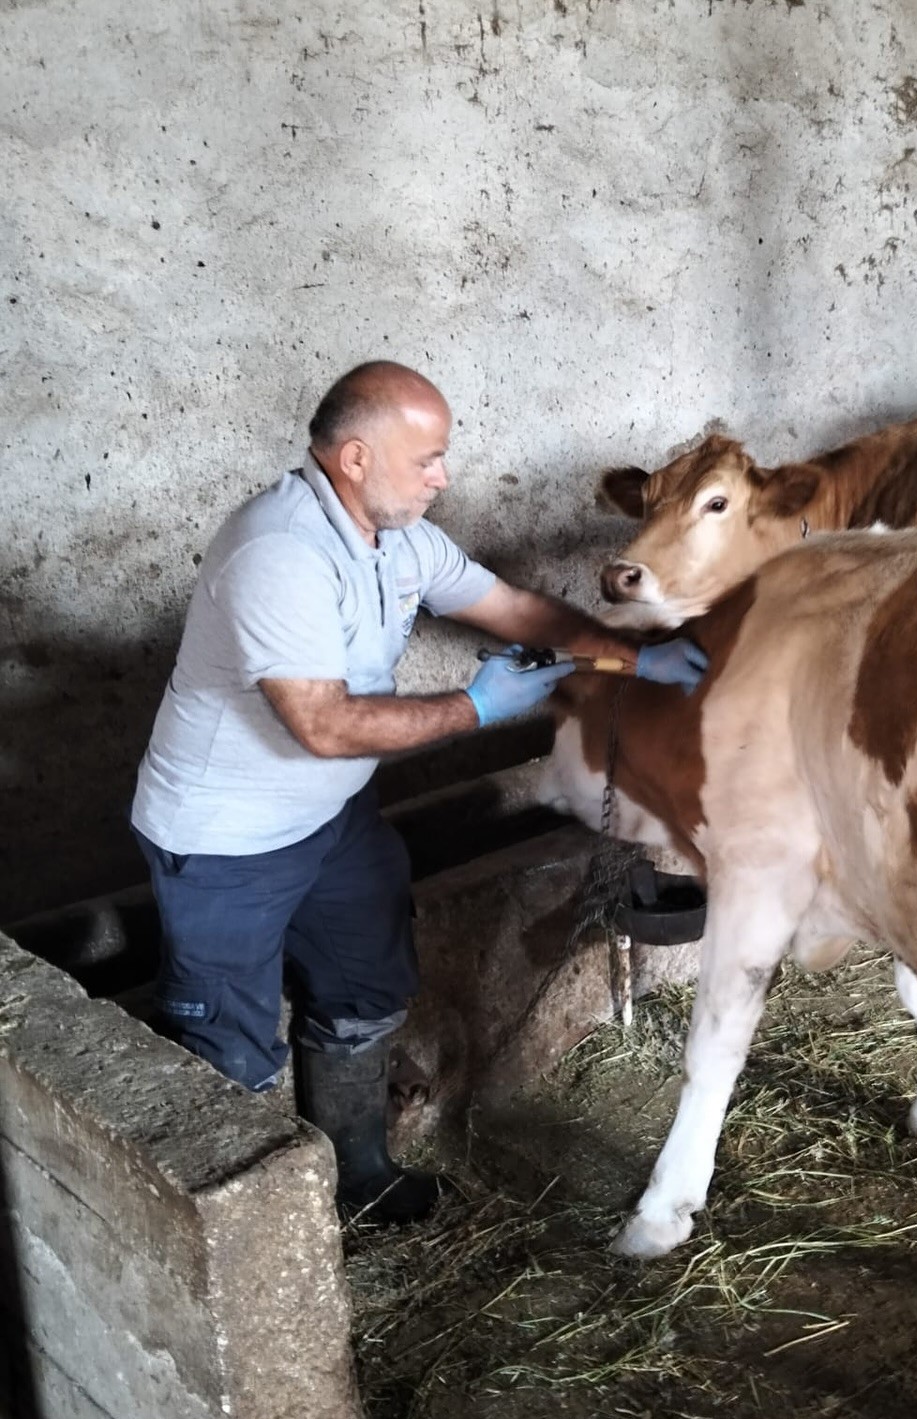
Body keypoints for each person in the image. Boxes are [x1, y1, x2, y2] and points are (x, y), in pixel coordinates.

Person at [130, 361, 705, 1224]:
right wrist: (478, 707)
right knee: (226, 1052)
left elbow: (514, 610)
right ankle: (260, 1237)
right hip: (225, 841)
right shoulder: (279, 551)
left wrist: (637, 655)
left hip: (329, 815)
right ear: (356, 458)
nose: (442, 476)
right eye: (427, 459)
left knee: (364, 985)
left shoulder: (397, 540)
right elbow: (322, 725)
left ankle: (358, 1179)